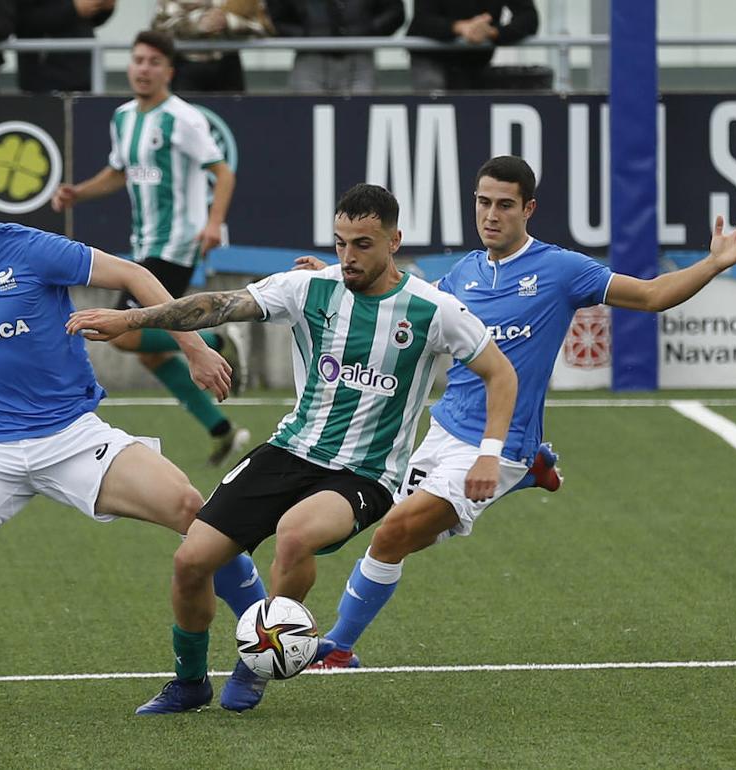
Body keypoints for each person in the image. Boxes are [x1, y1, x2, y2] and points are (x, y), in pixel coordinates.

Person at [0, 147, 268, 720]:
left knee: (193, 509)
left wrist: (193, 348)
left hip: (70, 435)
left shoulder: (34, 249)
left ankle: (264, 638)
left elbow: (136, 275)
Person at [65, 183, 519, 714]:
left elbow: (500, 373)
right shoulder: (309, 288)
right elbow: (218, 306)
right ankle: (189, 682)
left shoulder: (432, 310)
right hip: (289, 450)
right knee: (191, 561)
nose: (348, 256)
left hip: (367, 472)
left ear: (394, 241)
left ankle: (258, 657)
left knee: (294, 533)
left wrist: (489, 452)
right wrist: (131, 319)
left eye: (363, 244)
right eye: (341, 242)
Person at [307, 155, 736, 670]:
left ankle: (337, 648)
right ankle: (532, 474)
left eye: (504, 205)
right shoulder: (463, 273)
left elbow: (651, 296)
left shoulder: (562, 270)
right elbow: (399, 295)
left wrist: (715, 262)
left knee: (392, 536)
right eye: (482, 202)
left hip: (500, 442)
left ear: (528, 209)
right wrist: (330, 274)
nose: (491, 215)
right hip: (444, 429)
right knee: (406, 532)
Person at [51, 30, 250, 467]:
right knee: (152, 352)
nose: (143, 68)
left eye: (153, 62)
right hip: (145, 242)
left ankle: (216, 335)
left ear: (169, 71)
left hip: (177, 241)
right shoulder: (123, 117)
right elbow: (119, 171)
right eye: (138, 59)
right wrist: (78, 193)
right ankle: (221, 429)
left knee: (129, 335)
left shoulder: (183, 118)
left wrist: (214, 223)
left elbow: (223, 171)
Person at [266, 0, 405, 94]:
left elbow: (395, 12)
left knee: (362, 118)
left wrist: (367, 30)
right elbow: (274, 19)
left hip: (359, 56)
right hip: (310, 57)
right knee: (305, 119)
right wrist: (308, 35)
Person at [407, 1, 540, 91]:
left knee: (475, 113)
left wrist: (493, 32)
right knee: (434, 102)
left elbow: (529, 18)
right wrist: (460, 28)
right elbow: (423, 20)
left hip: (475, 60)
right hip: (432, 57)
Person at [152, 0, 273, 93]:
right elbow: (160, 29)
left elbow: (264, 27)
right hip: (187, 65)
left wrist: (229, 21)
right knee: (186, 120)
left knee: (232, 121)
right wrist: (197, 24)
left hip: (229, 63)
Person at [15, 0, 116, 94]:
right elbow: (24, 20)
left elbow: (86, 21)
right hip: (44, 76)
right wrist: (74, 9)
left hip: (84, 71)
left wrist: (103, 8)